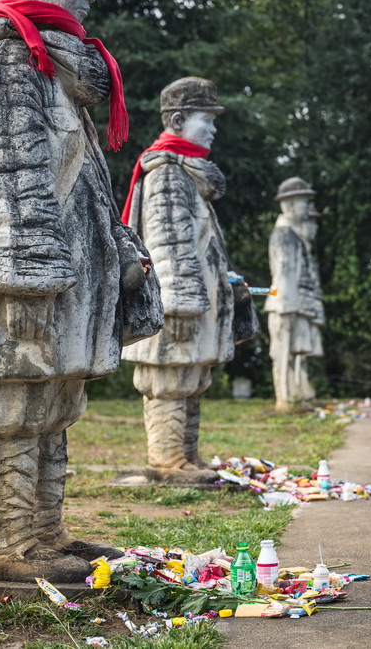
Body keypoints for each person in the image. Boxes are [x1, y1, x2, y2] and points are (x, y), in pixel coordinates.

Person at [0, 0, 163, 582]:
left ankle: (45, 533)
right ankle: (2, 545)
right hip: (18, 280)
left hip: (65, 281)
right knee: (8, 410)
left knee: (52, 405)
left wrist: (121, 254)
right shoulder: (8, 60)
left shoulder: (53, 67)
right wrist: (24, 278)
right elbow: (5, 179)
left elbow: (83, 184)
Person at [120, 77, 236, 484]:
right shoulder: (168, 173)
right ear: (179, 119)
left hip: (193, 299)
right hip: (178, 303)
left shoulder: (185, 172)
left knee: (191, 378)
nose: (213, 128)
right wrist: (182, 303)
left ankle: (187, 455)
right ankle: (168, 460)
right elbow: (168, 242)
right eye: (207, 119)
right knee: (169, 381)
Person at [264, 177, 324, 411]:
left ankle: (295, 393)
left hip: (294, 302)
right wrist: (286, 304)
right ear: (288, 205)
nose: (306, 208)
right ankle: (286, 397)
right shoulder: (284, 235)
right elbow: (284, 274)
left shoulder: (293, 236)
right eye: (302, 202)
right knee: (284, 352)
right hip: (286, 303)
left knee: (296, 350)